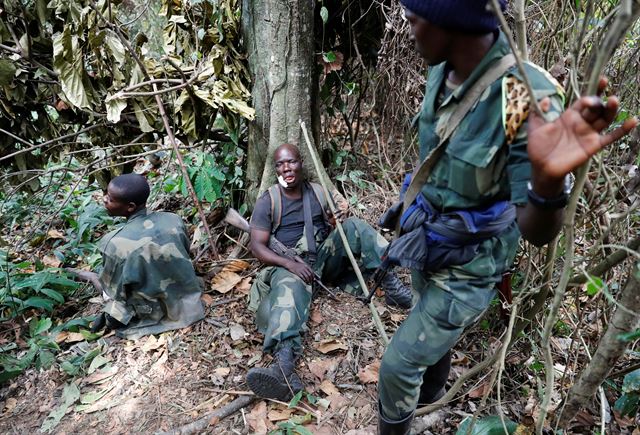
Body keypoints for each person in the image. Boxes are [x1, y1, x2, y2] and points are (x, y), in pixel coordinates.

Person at [376, 0, 639, 433]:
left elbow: (538, 232)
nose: (407, 30)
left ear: (450, 22)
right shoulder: (441, 68)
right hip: (428, 239)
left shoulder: (519, 95)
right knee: (426, 322)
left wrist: (547, 183)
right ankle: (430, 401)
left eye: (412, 19)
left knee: (397, 366)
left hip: (469, 266)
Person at [245, 143, 413, 401]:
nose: (286, 168)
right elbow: (257, 245)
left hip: (321, 263)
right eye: (280, 164)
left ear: (301, 163)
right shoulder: (269, 200)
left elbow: (334, 227)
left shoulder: (317, 192)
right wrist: (290, 264)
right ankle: (284, 366)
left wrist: (336, 222)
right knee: (289, 287)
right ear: (275, 169)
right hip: (288, 267)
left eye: (291, 162)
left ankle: (390, 283)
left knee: (355, 226)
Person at [68, 174, 205, 340]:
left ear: (130, 207)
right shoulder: (173, 219)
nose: (104, 199)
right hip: (190, 299)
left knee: (110, 305)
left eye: (110, 199)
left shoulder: (114, 243)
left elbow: (116, 293)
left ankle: (85, 275)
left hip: (156, 312)